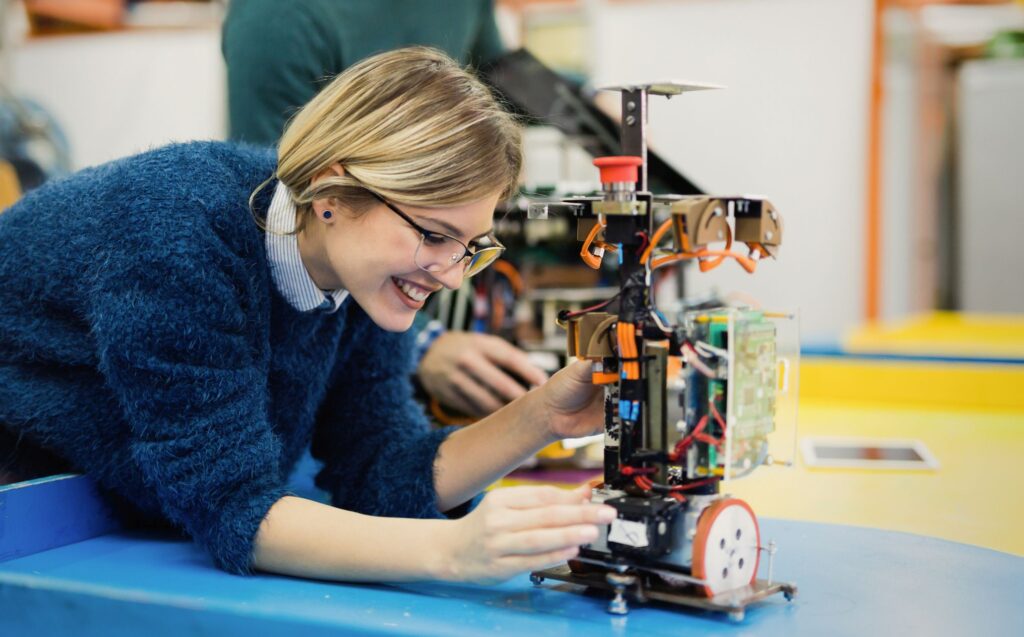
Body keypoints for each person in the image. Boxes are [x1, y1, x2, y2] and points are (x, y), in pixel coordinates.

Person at [0, 47, 614, 582]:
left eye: (471, 246)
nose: (452, 274)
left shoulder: (361, 276)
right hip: (26, 505)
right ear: (331, 191)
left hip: (109, 512)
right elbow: (232, 506)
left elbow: (378, 471)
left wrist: (543, 416)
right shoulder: (178, 233)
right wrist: (452, 551)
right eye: (433, 235)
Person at [221, 0, 546, 418]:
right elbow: (285, 197)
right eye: (434, 234)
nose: (453, 280)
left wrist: (591, 110)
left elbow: (502, 75)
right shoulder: (277, 16)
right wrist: (423, 342)